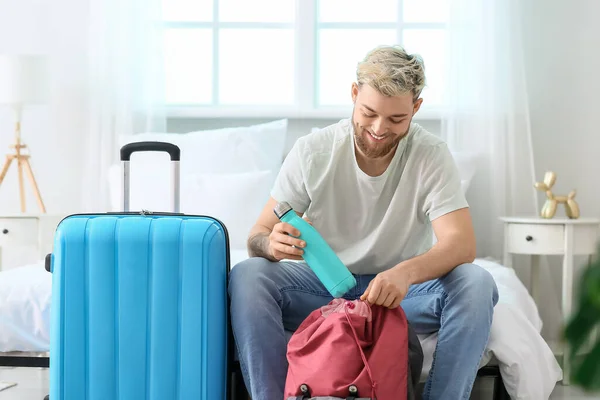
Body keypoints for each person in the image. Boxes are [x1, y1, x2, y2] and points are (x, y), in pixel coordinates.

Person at [228, 45, 499, 400]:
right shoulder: (313, 151)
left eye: (396, 119)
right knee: (248, 275)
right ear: (354, 94)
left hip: (401, 294)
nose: (378, 129)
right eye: (368, 112)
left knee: (476, 282)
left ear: (416, 108)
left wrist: (404, 273)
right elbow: (256, 236)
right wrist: (270, 244)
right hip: (323, 285)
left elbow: (460, 244)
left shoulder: (430, 155)